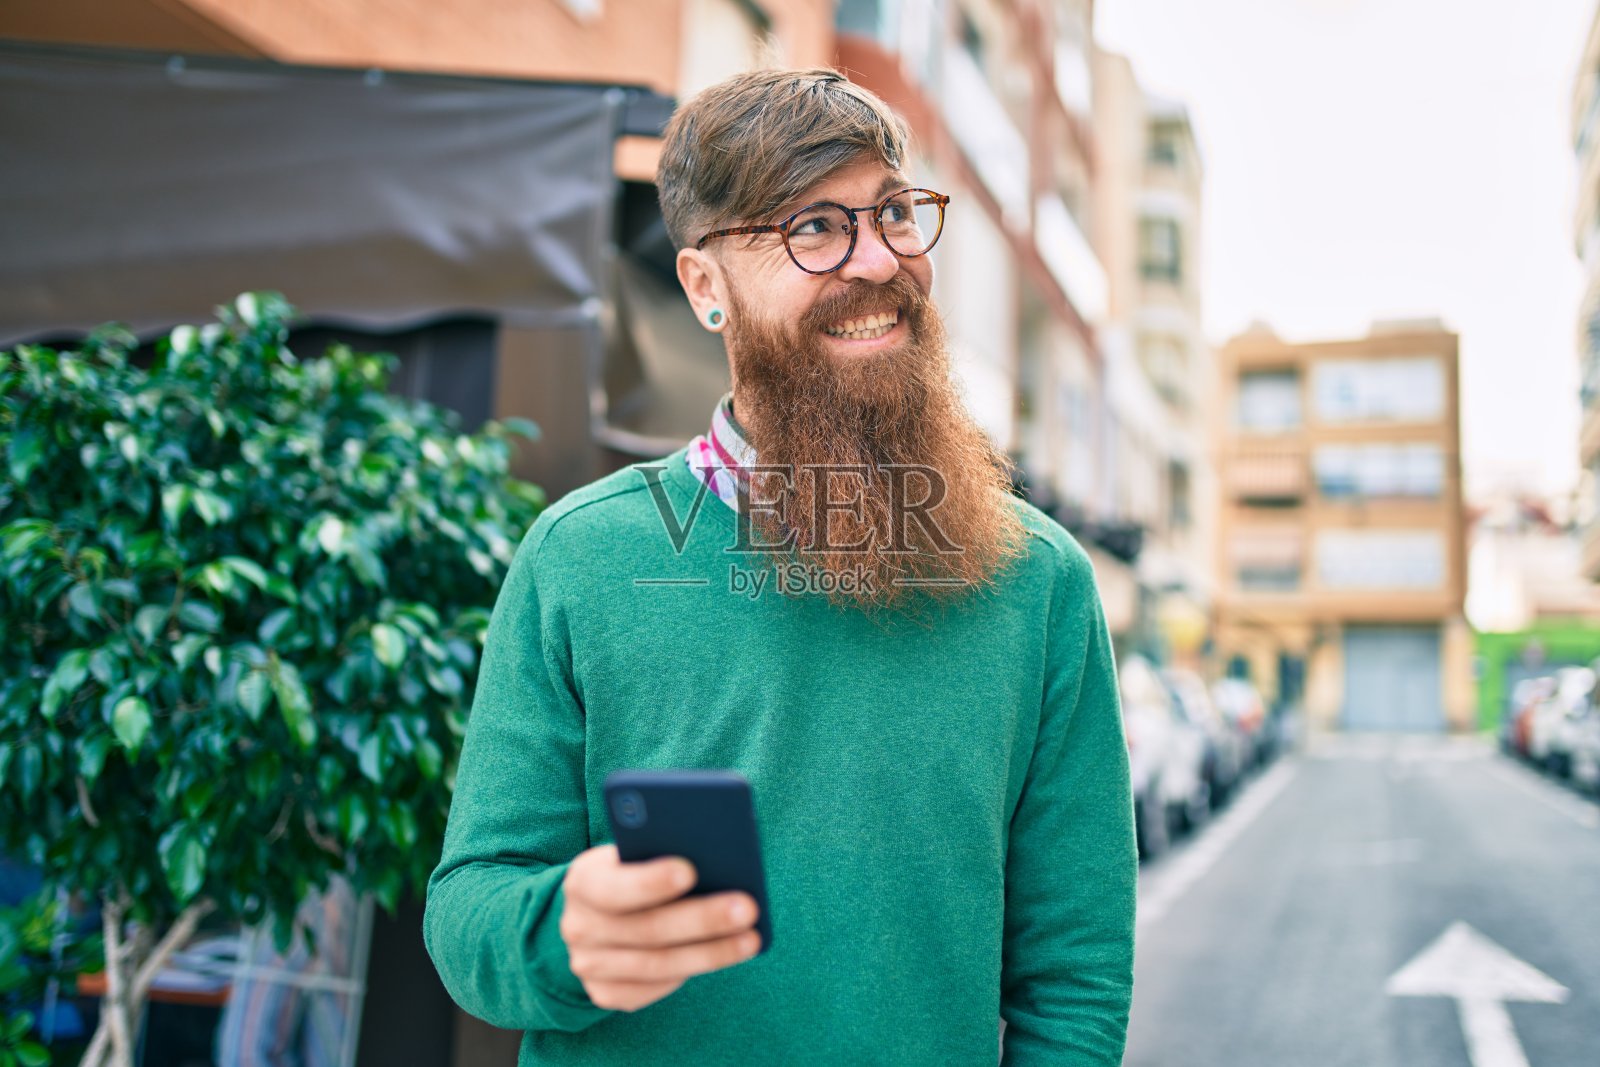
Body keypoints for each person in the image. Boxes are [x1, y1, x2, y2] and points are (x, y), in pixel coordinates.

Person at [423, 67, 1136, 1065]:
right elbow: (470, 911)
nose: (879, 259)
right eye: (813, 228)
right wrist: (557, 932)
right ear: (704, 285)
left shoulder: (1041, 581)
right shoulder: (579, 557)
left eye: (894, 212)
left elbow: (1075, 976)